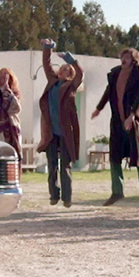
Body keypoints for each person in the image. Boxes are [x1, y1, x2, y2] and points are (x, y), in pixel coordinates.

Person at [91, 48, 139, 211]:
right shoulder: (115, 73)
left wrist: (133, 115)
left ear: (134, 60)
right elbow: (108, 92)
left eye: (127, 57)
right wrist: (98, 108)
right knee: (115, 157)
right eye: (122, 57)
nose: (123, 60)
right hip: (117, 122)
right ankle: (117, 192)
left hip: (133, 122)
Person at [38, 39, 83, 208]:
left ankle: (67, 197)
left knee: (65, 166)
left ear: (70, 75)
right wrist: (48, 47)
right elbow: (46, 64)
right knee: (52, 165)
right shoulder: (52, 81)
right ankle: (54, 195)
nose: (63, 71)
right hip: (51, 132)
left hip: (66, 132)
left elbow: (80, 74)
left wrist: (71, 60)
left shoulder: (71, 86)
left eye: (66, 70)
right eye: (62, 68)